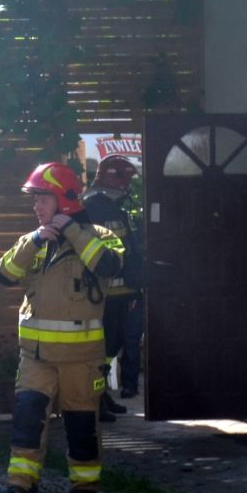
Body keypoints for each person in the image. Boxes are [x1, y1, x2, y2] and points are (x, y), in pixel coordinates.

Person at [0, 162, 124, 493]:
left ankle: (84, 492)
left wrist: (73, 232)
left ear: (65, 201)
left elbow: (111, 267)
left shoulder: (98, 235)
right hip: (35, 357)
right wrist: (35, 240)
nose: (36, 207)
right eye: (34, 199)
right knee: (26, 421)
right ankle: (20, 490)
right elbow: (4, 275)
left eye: (43, 199)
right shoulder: (33, 240)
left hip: (81, 360)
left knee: (82, 427)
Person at [82, 153, 144, 418]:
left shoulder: (116, 206)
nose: (128, 184)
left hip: (124, 292)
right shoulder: (93, 207)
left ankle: (102, 395)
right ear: (113, 179)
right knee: (101, 348)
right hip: (104, 294)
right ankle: (95, 399)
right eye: (126, 178)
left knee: (111, 348)